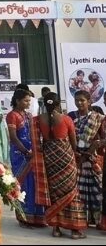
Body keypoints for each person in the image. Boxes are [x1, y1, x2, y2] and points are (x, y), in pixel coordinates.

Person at [34, 92, 86, 238]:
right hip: (65, 158)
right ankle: (75, 230)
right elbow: (74, 143)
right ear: (58, 104)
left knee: (54, 192)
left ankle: (56, 228)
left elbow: (37, 141)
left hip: (49, 158)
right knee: (71, 192)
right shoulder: (66, 119)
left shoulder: (38, 120)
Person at [7, 88, 45, 227]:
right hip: (19, 155)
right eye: (26, 100)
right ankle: (24, 217)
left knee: (34, 184)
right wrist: (25, 151)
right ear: (17, 101)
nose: (28, 103)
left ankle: (37, 217)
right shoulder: (12, 115)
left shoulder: (29, 115)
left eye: (29, 100)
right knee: (22, 185)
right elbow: (13, 137)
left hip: (32, 153)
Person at [68, 90, 104, 227]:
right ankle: (81, 219)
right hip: (75, 157)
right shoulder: (71, 116)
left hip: (91, 158)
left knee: (96, 189)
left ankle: (96, 219)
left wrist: (92, 148)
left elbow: (102, 138)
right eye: (77, 100)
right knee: (78, 190)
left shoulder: (98, 118)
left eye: (82, 100)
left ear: (89, 101)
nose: (79, 103)